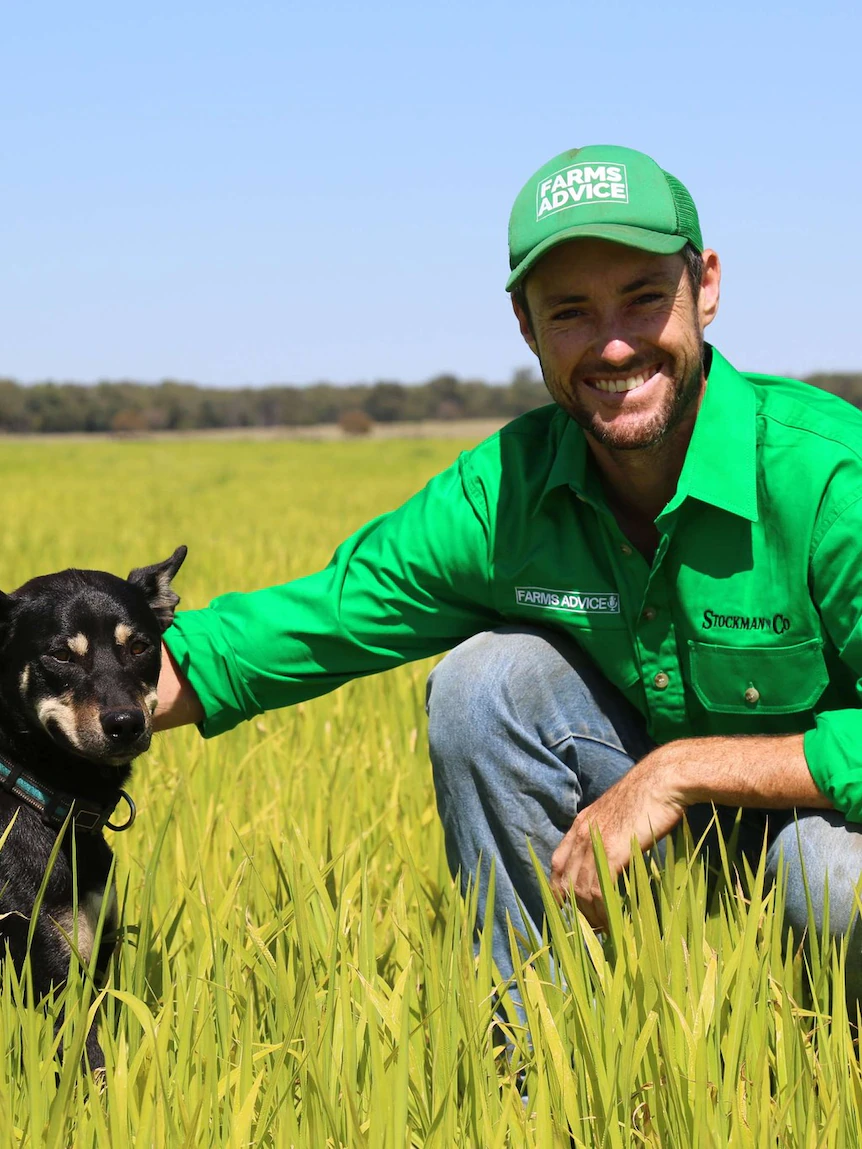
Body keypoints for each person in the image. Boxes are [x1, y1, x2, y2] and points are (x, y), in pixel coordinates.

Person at [155, 144, 862, 997]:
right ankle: (538, 1065)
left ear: (705, 286)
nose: (612, 344)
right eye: (570, 312)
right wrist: (72, 688)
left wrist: (679, 770)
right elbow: (318, 619)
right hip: (639, 849)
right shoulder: (505, 495)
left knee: (826, 880)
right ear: (525, 326)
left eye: (643, 297)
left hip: (816, 823)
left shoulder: (826, 479)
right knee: (484, 683)